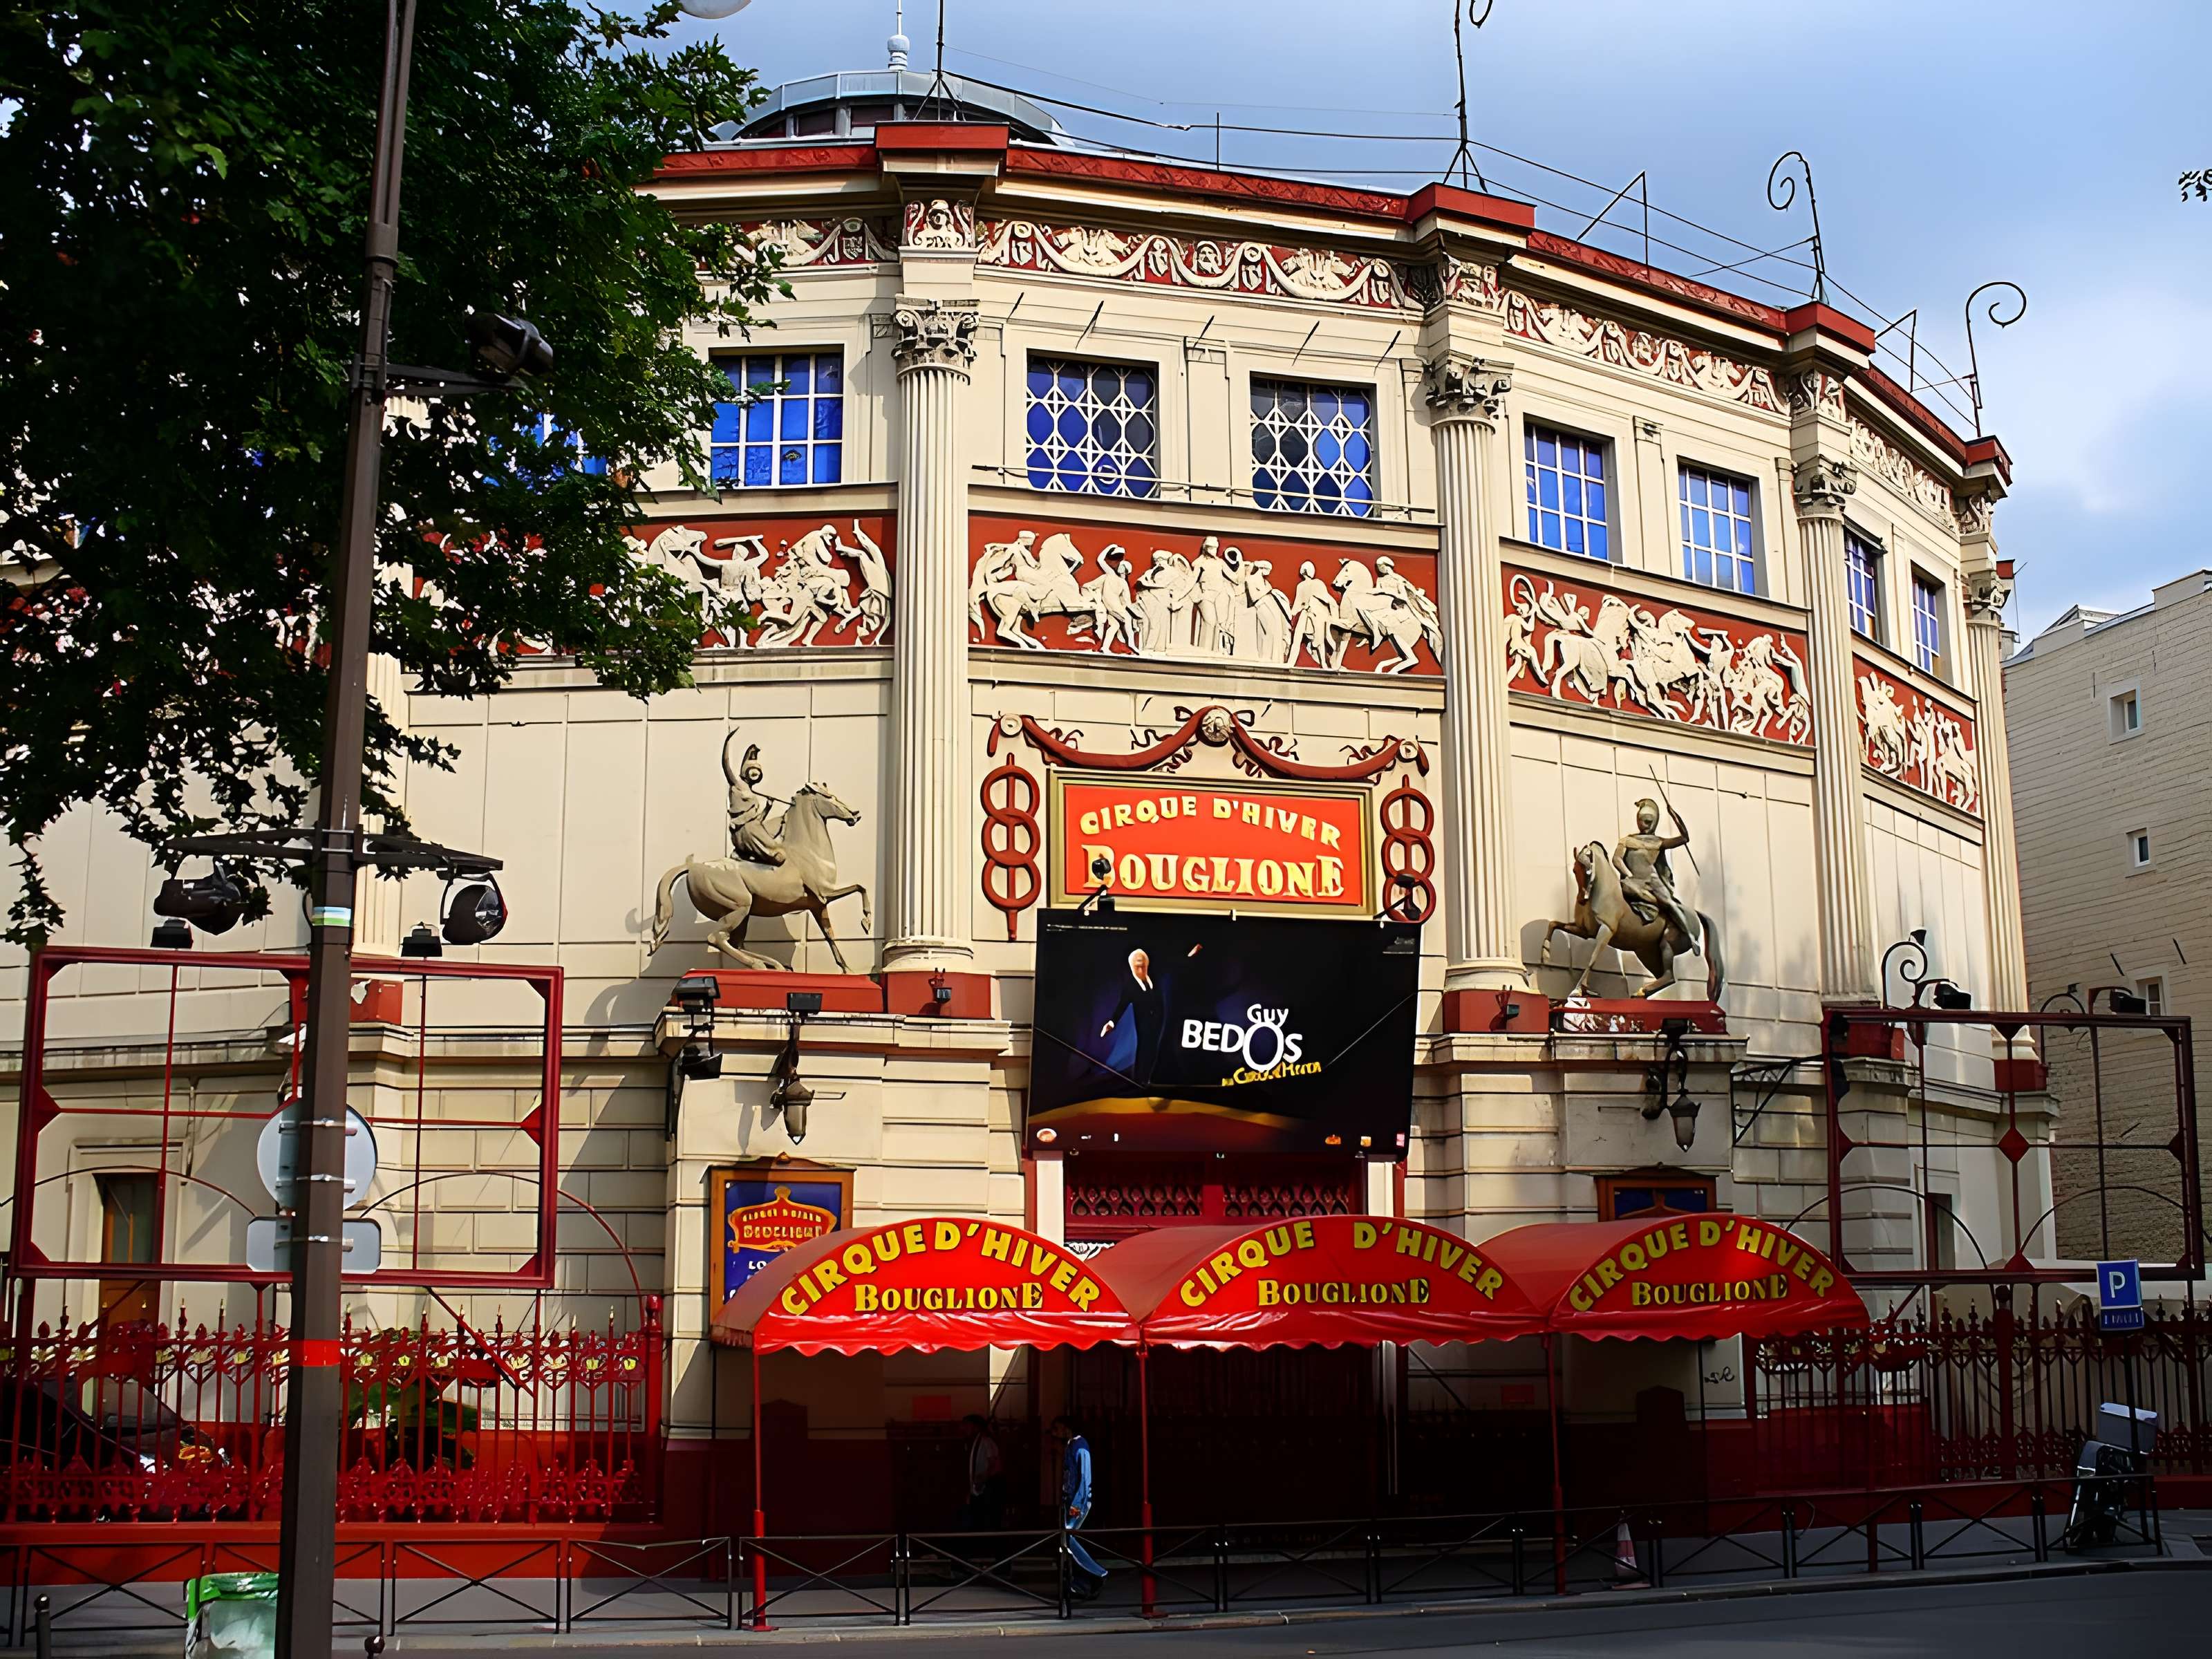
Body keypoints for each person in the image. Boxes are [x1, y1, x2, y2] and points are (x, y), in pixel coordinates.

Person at [1096, 943, 1199, 1085]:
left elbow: (1173, 967)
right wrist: (1112, 1023)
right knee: (1144, 1050)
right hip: (1144, 1024)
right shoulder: (1130, 987)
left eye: (1143, 966)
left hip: (1160, 1021)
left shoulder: (1155, 978)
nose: (1141, 970)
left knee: (1157, 1050)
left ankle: (1151, 1079)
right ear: (1132, 967)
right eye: (1138, 966)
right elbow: (1122, 1005)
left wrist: (1189, 956)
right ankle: (1139, 1081)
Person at [1613, 797, 1698, 948]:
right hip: (1633, 882)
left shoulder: (1659, 842)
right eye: (1644, 821)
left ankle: (1691, 937)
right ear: (1639, 820)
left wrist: (1674, 816)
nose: (1647, 825)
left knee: (1670, 904)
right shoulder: (1626, 841)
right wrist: (1628, 874)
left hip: (1653, 883)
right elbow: (1617, 859)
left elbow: (1685, 838)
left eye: (1650, 822)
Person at [1051, 1414, 1106, 1602]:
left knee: (1069, 1539)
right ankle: (1081, 1581)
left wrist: (1077, 1503)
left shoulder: (1080, 1447)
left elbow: (1085, 1477)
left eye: (1057, 1429)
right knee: (1067, 1541)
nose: (1055, 1433)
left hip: (1078, 1502)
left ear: (1067, 1428)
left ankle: (1096, 1574)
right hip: (1071, 1500)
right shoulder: (1070, 1446)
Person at [959, 1414, 1004, 1531]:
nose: (964, 1428)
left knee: (987, 1521)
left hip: (988, 1487)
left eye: (967, 1425)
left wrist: (983, 1478)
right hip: (980, 1487)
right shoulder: (977, 1442)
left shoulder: (986, 1441)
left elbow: (995, 1465)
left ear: (975, 1426)